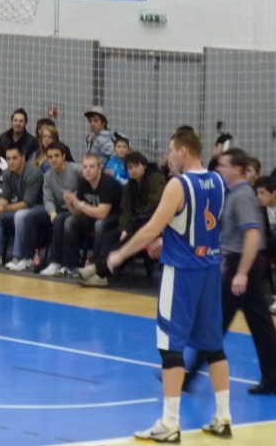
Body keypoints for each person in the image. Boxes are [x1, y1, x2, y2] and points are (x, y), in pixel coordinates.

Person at [107, 128, 232, 442]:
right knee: (213, 346)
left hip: (182, 274)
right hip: (209, 270)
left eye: (171, 150)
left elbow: (152, 227)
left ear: (184, 151)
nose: (168, 156)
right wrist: (170, 241)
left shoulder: (179, 184)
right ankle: (223, 417)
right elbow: (202, 226)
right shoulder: (218, 181)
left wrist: (121, 253)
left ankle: (170, 423)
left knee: (170, 347)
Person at [181, 150, 276, 395]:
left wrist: (241, 272)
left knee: (216, 323)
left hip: (243, 265)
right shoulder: (236, 194)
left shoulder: (242, 196)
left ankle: (187, 376)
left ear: (237, 169)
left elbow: (252, 235)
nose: (219, 169)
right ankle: (272, 378)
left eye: (223, 165)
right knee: (260, 325)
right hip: (239, 263)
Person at [78, 151, 166, 288]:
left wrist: (130, 227)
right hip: (135, 224)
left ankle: (100, 271)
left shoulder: (155, 179)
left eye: (136, 166)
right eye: (130, 168)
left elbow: (153, 207)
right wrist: (125, 228)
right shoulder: (130, 185)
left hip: (153, 225)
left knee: (127, 240)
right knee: (110, 236)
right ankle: (101, 272)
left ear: (144, 165)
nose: (133, 170)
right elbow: (126, 211)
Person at [42, 155, 121, 279]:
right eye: (85, 167)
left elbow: (102, 213)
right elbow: (77, 212)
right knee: (70, 221)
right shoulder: (84, 183)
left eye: (91, 167)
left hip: (116, 216)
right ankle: (71, 265)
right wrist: (70, 202)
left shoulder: (108, 183)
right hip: (94, 214)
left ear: (99, 168)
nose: (87, 170)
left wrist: (80, 204)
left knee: (99, 224)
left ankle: (96, 266)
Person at [0, 146, 44, 271]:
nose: (11, 162)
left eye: (14, 158)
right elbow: (5, 197)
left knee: (20, 215)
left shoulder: (33, 173)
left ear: (23, 158)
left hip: (41, 207)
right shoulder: (7, 173)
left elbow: (27, 203)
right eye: (8, 159)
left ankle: (21, 257)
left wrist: (3, 209)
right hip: (23, 207)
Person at [21, 142, 80, 271]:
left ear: (63, 156)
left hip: (76, 210)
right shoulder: (47, 176)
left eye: (56, 156)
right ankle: (29, 258)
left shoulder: (77, 170)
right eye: (50, 157)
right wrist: (52, 212)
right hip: (59, 209)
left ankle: (55, 262)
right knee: (32, 216)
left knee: (59, 220)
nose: (53, 159)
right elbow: (48, 199)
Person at [256, 177, 276, 315]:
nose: (258, 197)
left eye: (262, 193)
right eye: (257, 193)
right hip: (267, 248)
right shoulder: (259, 211)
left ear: (273, 193)